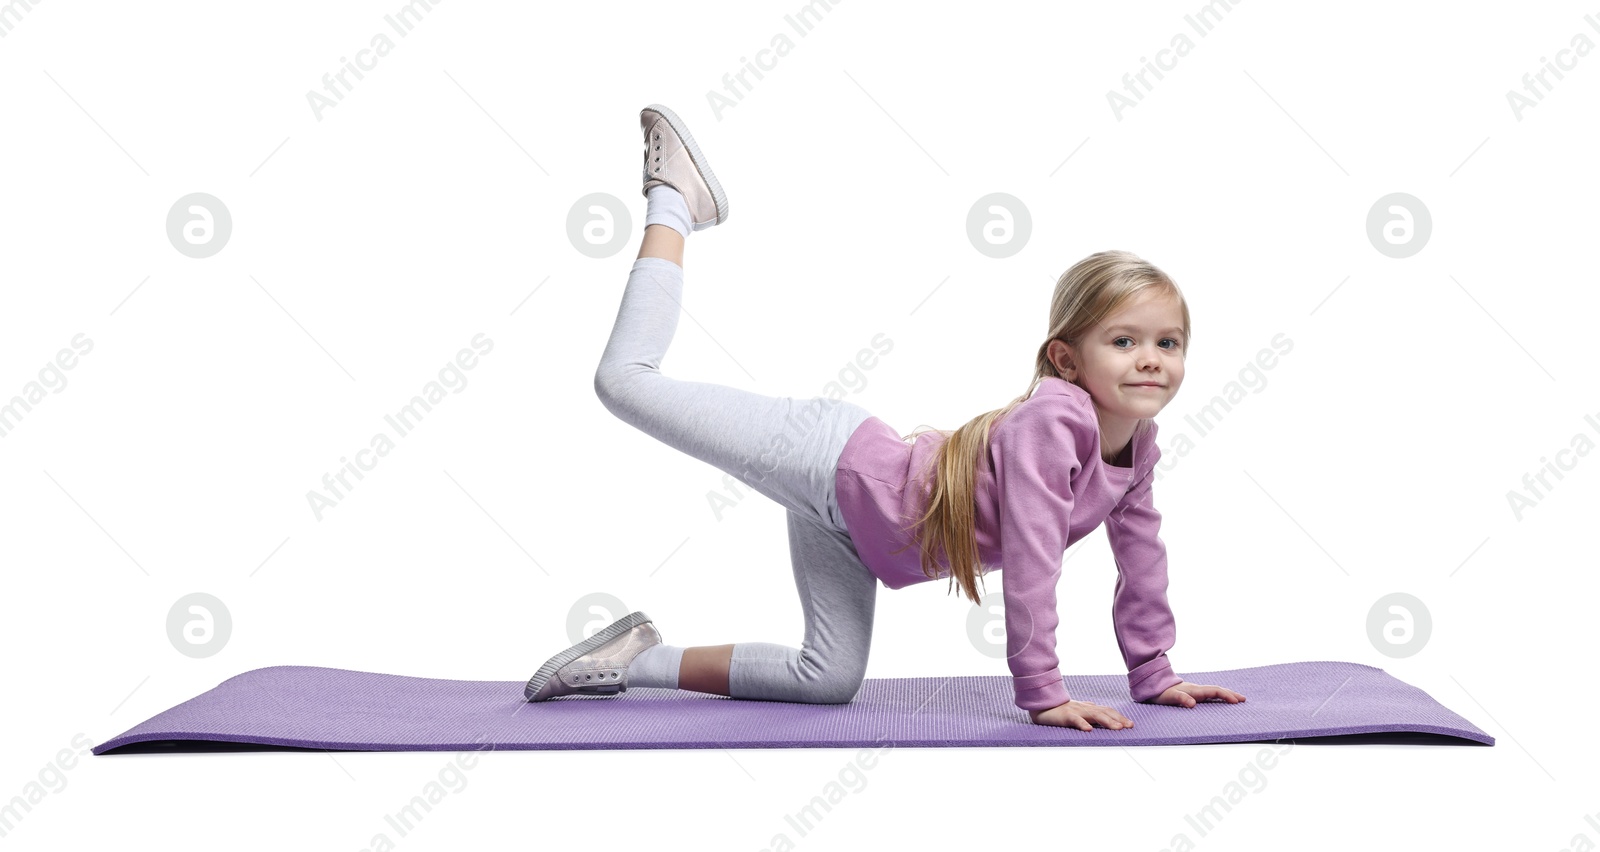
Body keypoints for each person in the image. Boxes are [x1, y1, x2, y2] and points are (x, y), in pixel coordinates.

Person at [524, 103, 1246, 731]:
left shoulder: (1136, 450)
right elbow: (1033, 564)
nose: (1151, 358)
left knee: (827, 679)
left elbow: (1142, 561)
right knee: (624, 381)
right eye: (1124, 341)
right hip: (829, 458)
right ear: (1064, 358)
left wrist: (1155, 674)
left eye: (1168, 343)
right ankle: (676, 199)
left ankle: (634, 659)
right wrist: (1043, 694)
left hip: (857, 533)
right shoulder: (1051, 426)